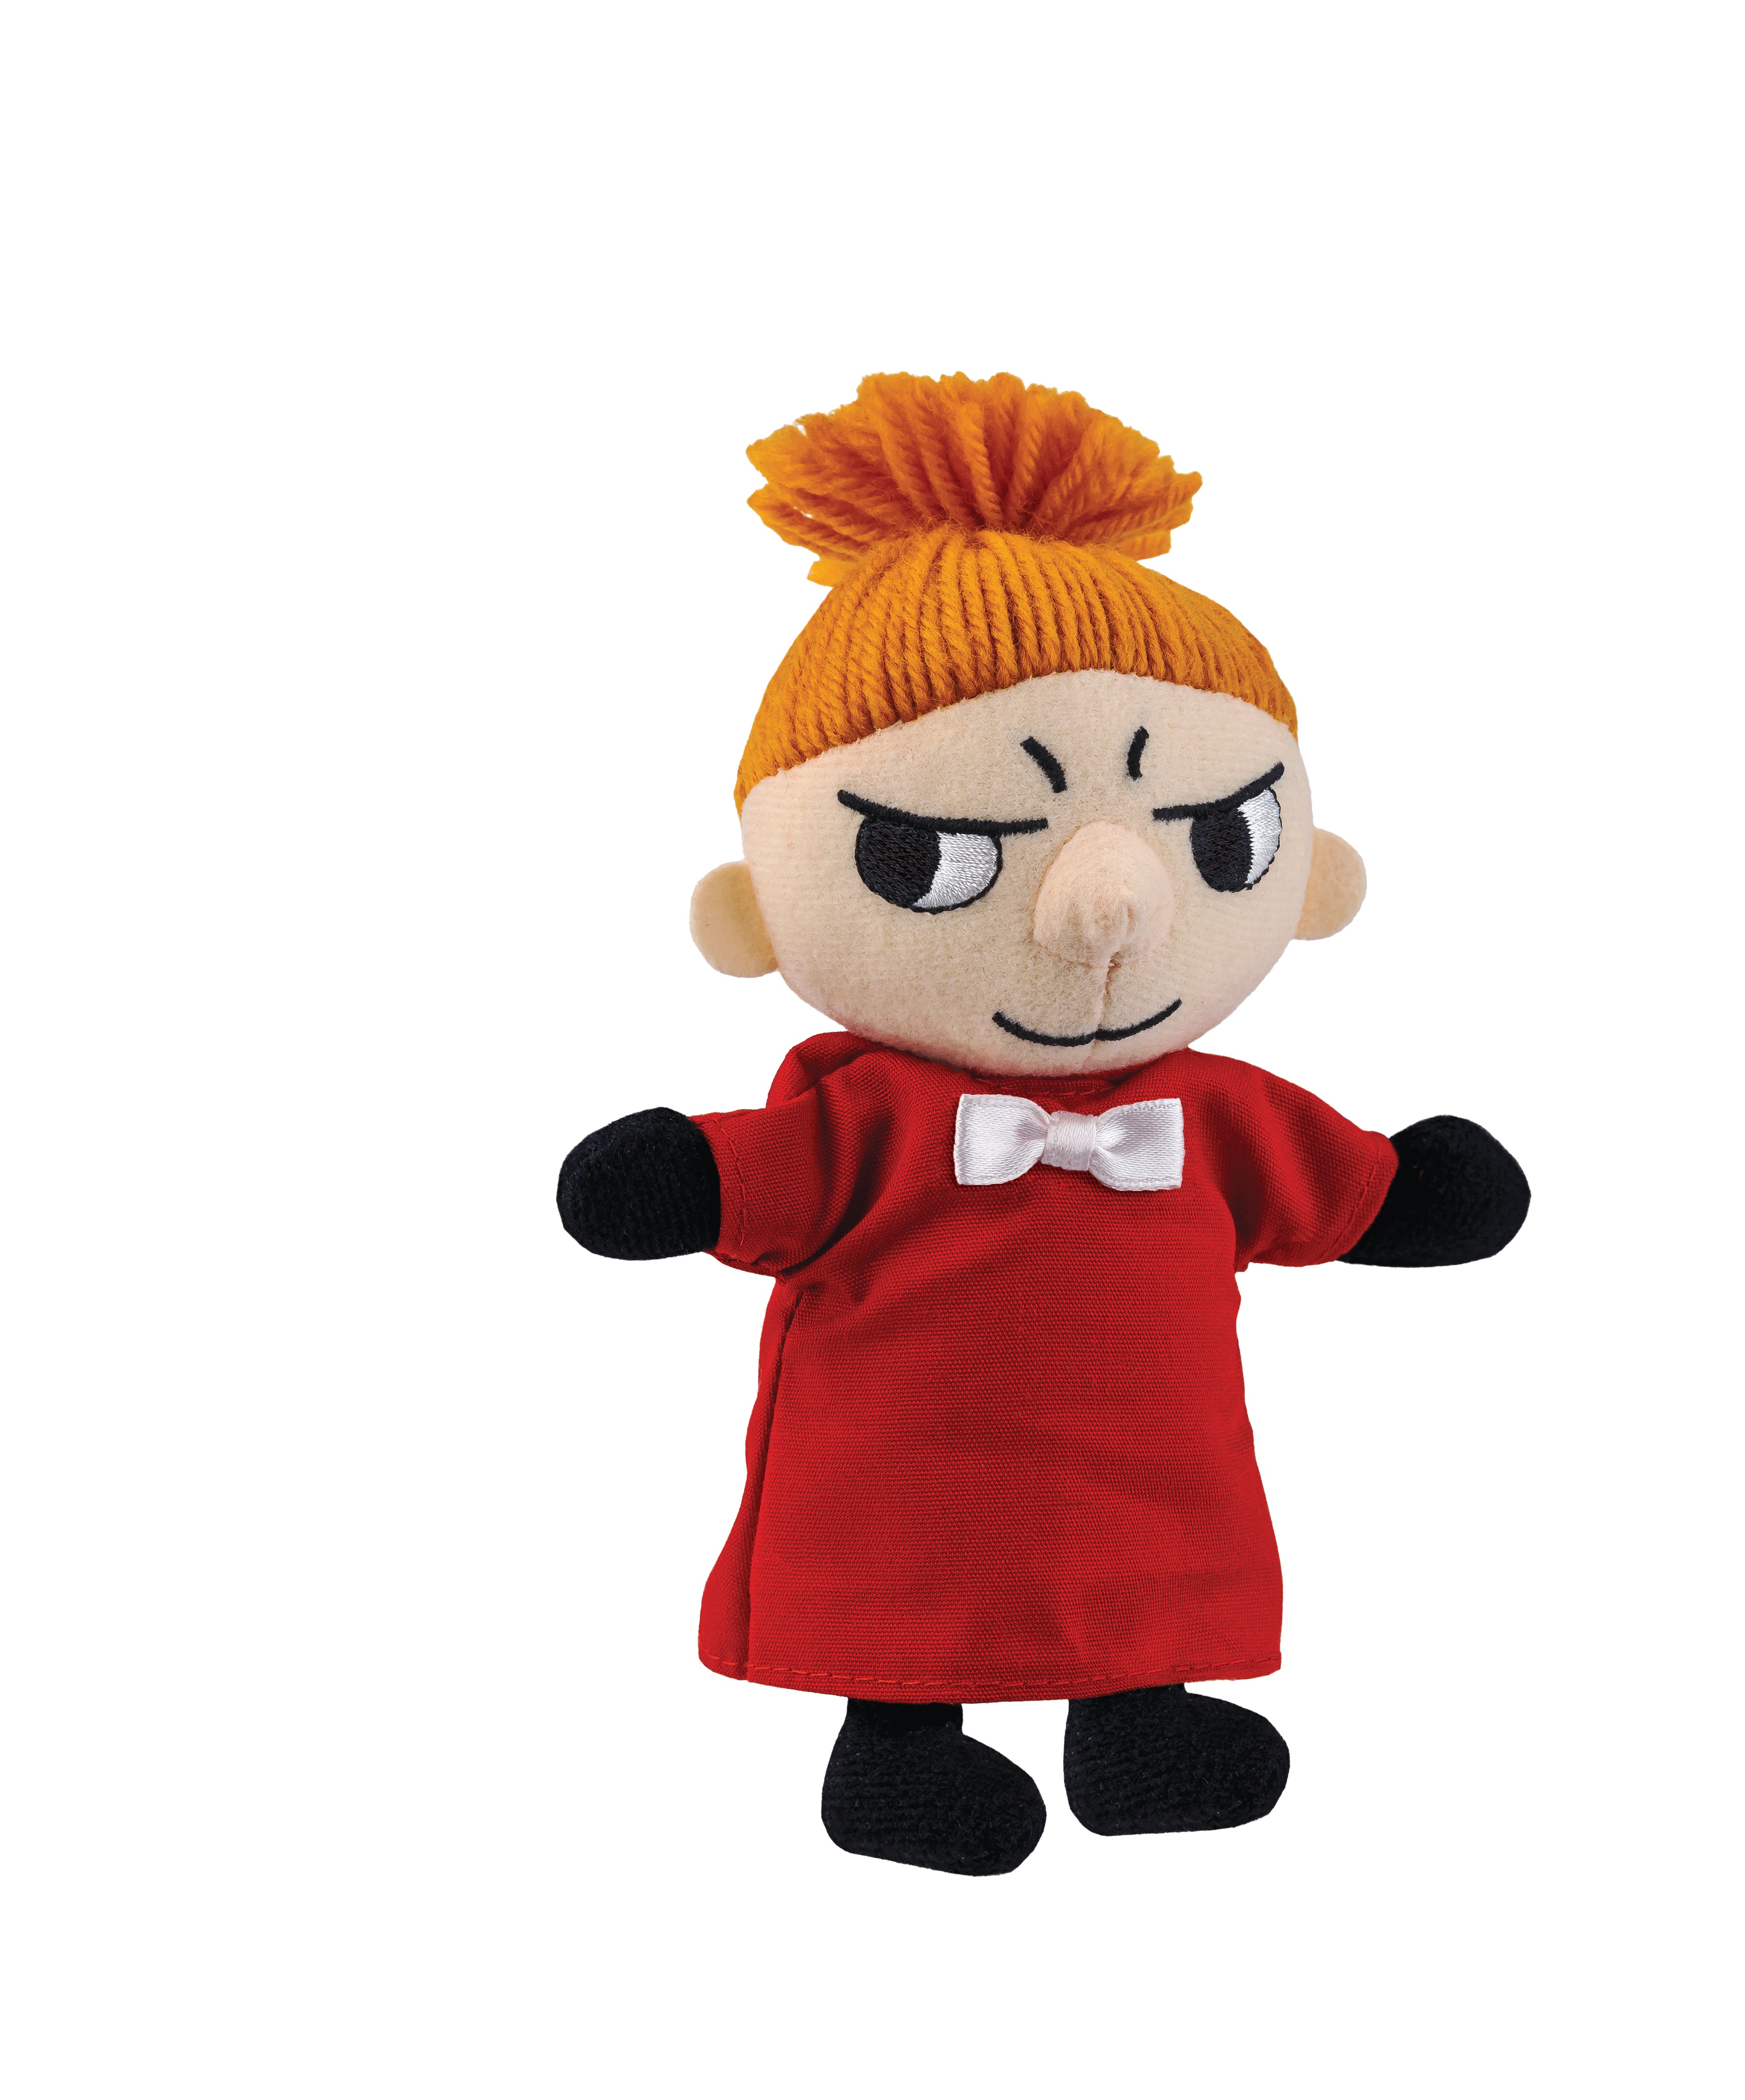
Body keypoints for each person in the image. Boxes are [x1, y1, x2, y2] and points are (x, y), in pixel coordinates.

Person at [558, 372, 1530, 1875]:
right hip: (904, 1466)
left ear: (1309, 871)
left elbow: (1337, 1186)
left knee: (1151, 1554)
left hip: (1150, 1466)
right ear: (758, 910)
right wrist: (682, 1175)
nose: (1107, 908)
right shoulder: (866, 1115)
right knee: (902, 1570)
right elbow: (745, 1177)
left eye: (1218, 837)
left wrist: (1408, 1192)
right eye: (941, 854)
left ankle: (1136, 1723)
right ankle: (897, 1748)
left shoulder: (1209, 1109)